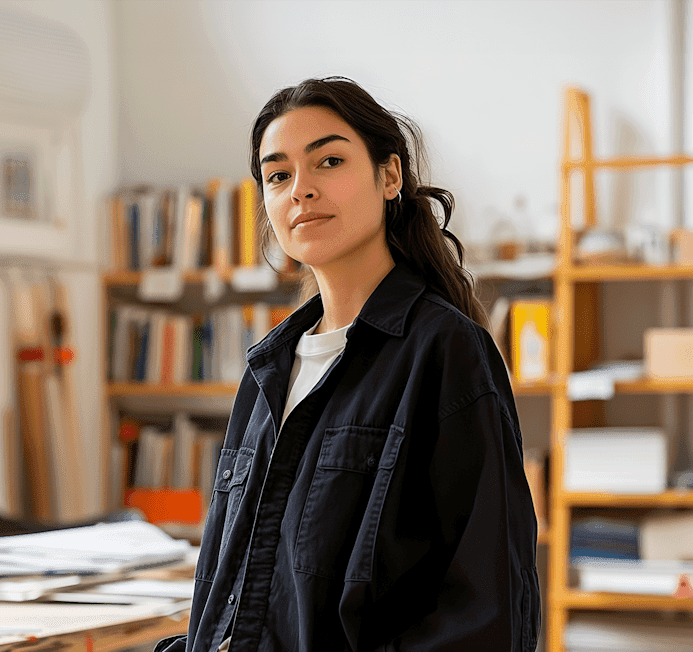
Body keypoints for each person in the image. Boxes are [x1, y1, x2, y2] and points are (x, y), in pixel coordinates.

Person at [155, 76, 541, 652]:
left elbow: (488, 612)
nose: (300, 191)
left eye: (328, 161)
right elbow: (235, 591)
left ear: (391, 176)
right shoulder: (267, 370)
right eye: (278, 175)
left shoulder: (445, 351)